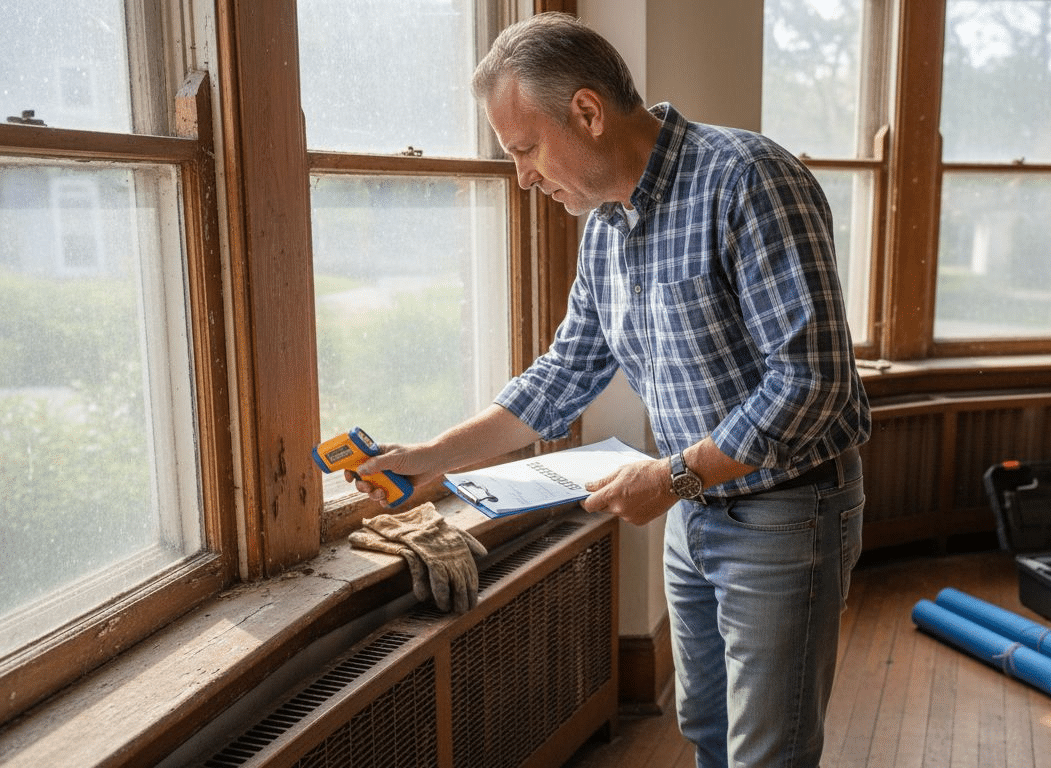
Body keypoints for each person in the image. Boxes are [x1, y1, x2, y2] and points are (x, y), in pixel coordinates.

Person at [351, 12, 871, 768]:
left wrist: (671, 476)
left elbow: (812, 382)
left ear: (588, 113)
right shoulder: (604, 228)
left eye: (526, 149)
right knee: (707, 734)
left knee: (769, 755)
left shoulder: (749, 179)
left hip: (788, 512)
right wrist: (431, 458)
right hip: (693, 511)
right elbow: (564, 373)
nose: (523, 177)